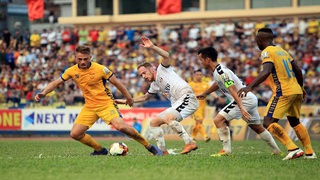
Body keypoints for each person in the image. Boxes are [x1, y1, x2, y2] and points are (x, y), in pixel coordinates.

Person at [34, 45, 163, 156]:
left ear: (90, 57)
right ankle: (100, 150)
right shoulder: (72, 71)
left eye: (85, 59)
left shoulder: (100, 69)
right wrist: (44, 92)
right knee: (75, 134)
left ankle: (149, 147)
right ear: (75, 58)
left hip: (106, 104)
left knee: (121, 127)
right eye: (80, 59)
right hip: (89, 107)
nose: (83, 61)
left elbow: (117, 83)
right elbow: (56, 83)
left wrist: (128, 98)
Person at [238, 27, 317, 160]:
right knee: (294, 121)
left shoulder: (267, 51)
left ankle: (293, 149)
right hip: (296, 90)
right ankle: (309, 152)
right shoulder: (282, 51)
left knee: (268, 122)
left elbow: (266, 71)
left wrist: (250, 86)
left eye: (257, 40)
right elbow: (297, 69)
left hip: (283, 91)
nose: (257, 43)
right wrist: (301, 87)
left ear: (260, 40)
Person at [115, 36, 198, 155]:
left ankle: (189, 142)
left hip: (186, 96)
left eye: (144, 73)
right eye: (141, 75)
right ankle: (162, 151)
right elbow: (144, 97)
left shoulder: (162, 70)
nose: (143, 76)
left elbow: (166, 55)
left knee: (169, 118)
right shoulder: (154, 85)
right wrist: (125, 101)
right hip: (179, 102)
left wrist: (152, 47)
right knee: (154, 122)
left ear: (152, 69)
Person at [197, 47, 281, 157]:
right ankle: (277, 151)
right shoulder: (218, 71)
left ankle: (226, 151)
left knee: (218, 120)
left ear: (207, 59)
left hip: (243, 99)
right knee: (257, 127)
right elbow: (218, 84)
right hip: (250, 98)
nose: (200, 62)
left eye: (201, 59)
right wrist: (205, 93)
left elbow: (232, 89)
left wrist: (241, 107)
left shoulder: (221, 72)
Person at [188, 69, 214, 142]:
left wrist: (217, 98)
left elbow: (211, 91)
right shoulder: (190, 84)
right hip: (195, 106)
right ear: (194, 75)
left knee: (199, 123)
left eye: (200, 75)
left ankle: (192, 137)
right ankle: (205, 136)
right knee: (199, 121)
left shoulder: (205, 84)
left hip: (203, 106)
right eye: (197, 75)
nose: (199, 76)